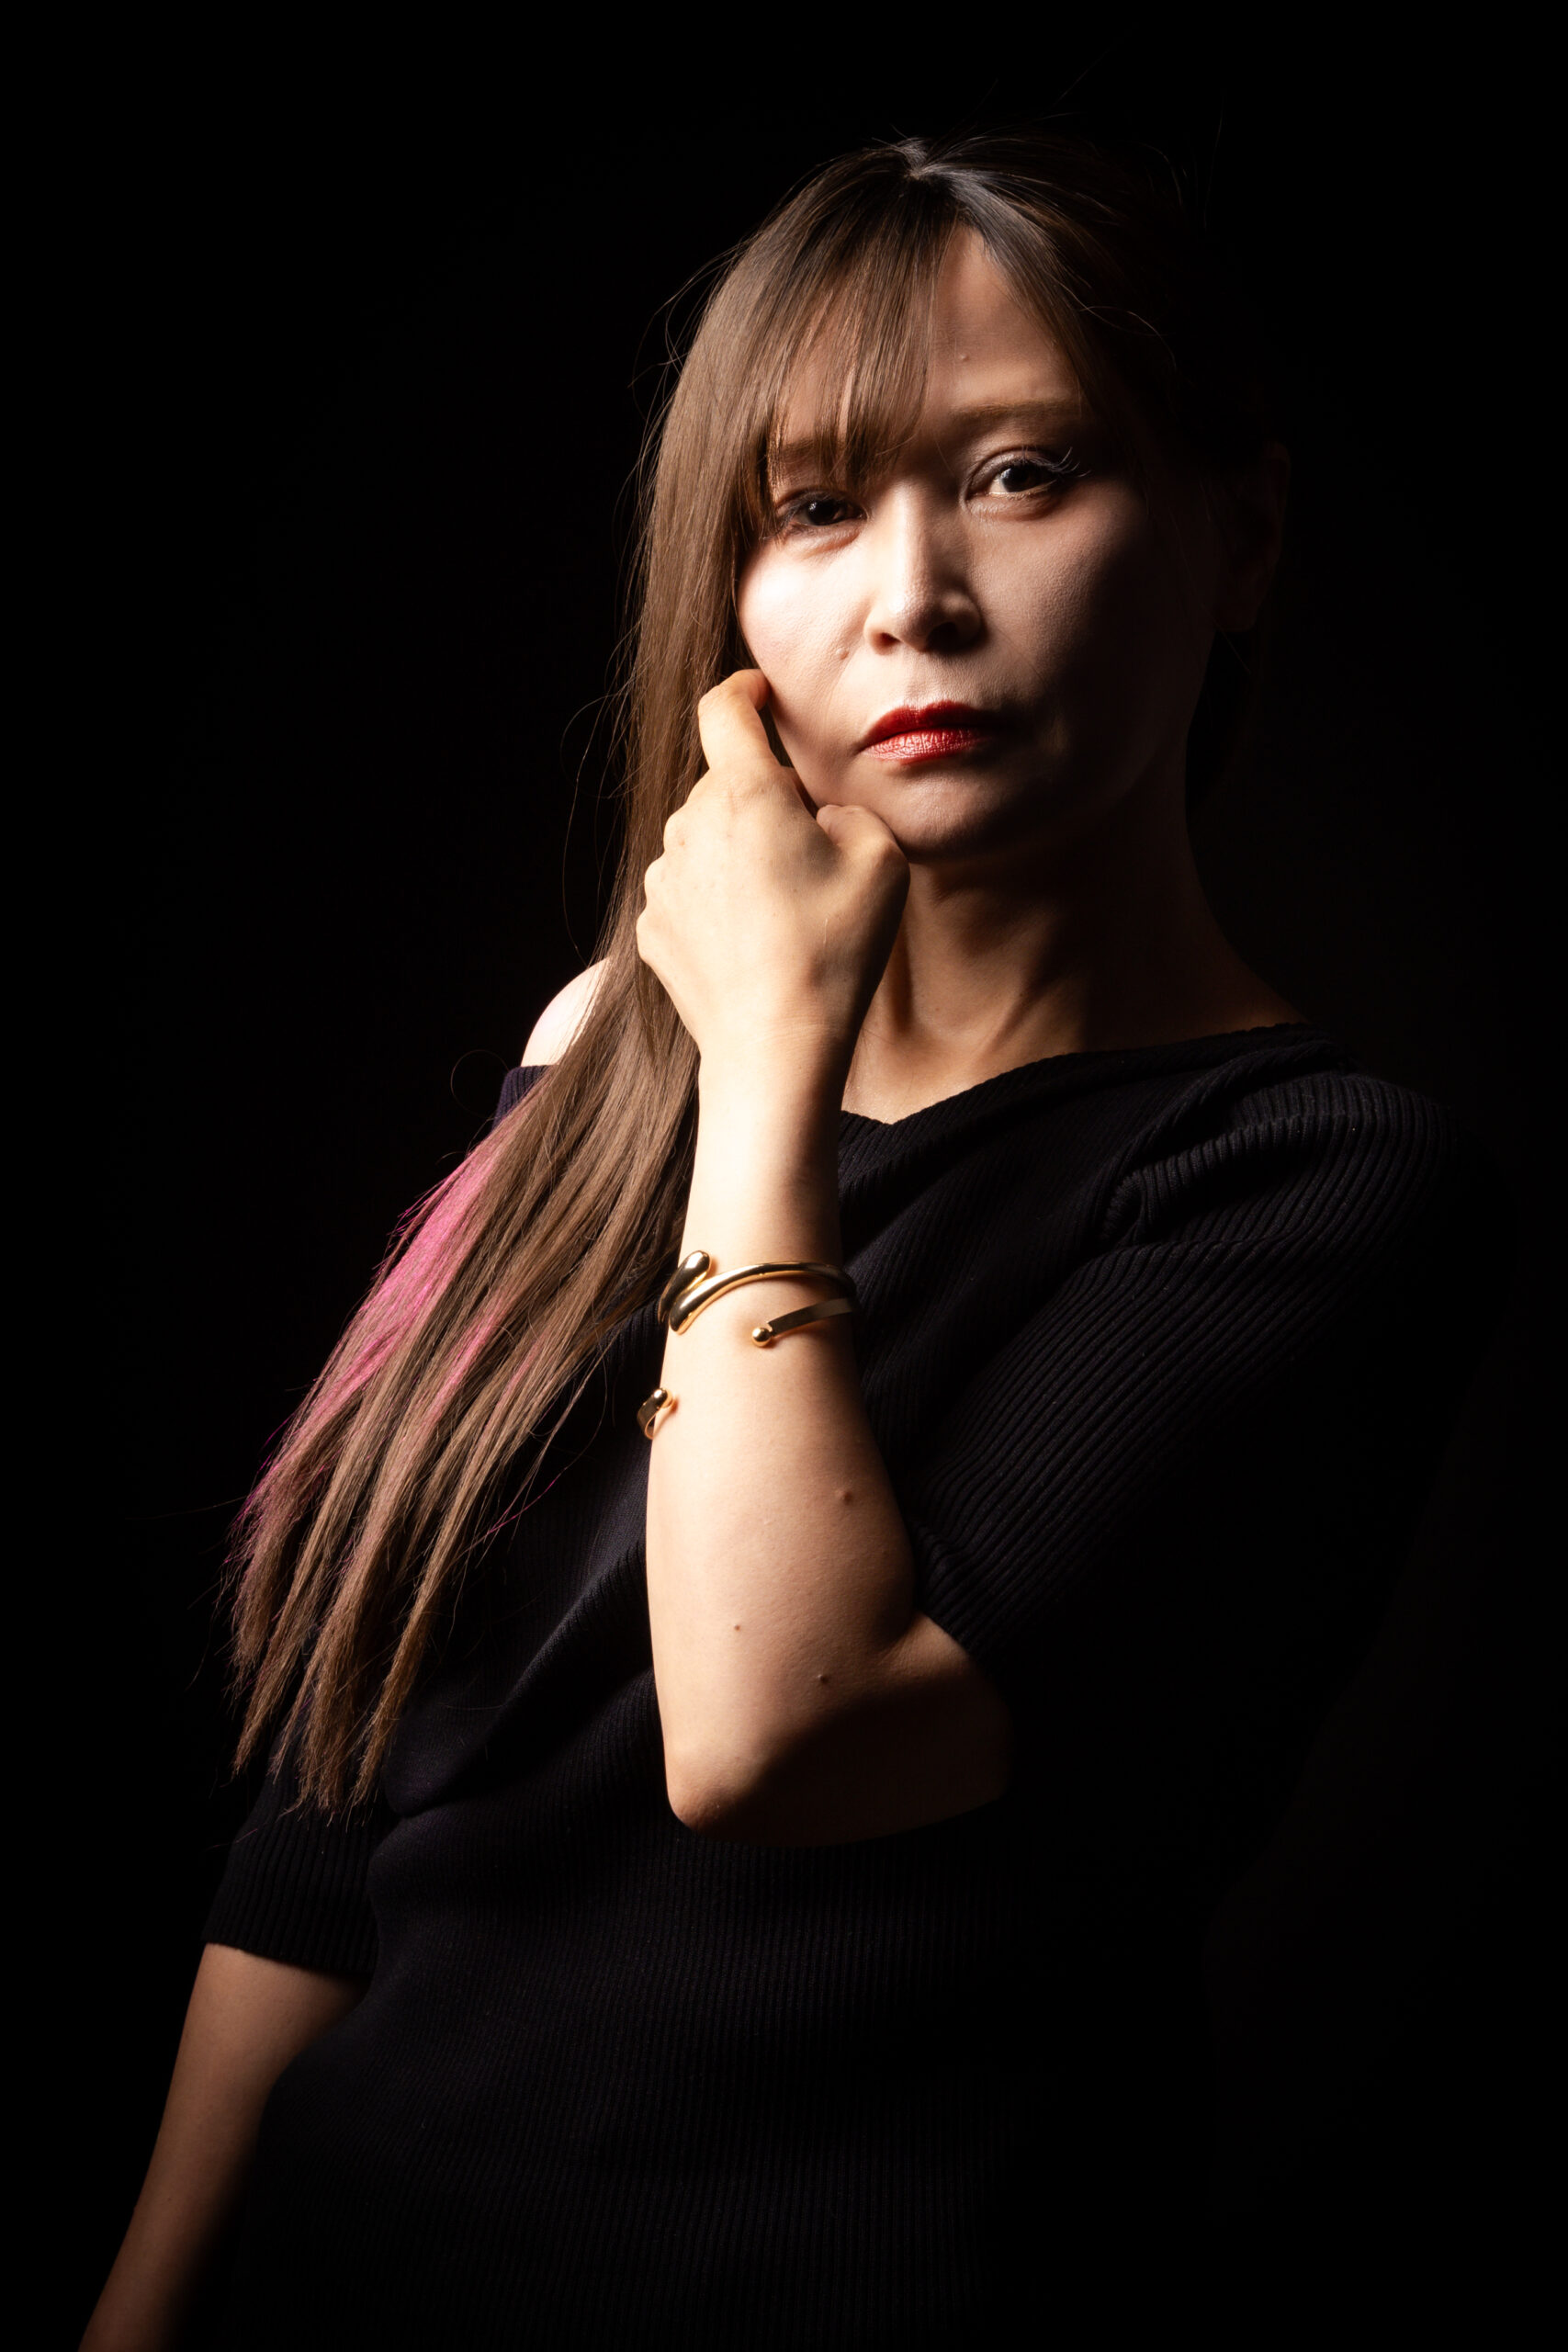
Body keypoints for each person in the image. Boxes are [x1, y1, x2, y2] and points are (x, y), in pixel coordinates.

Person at [85, 131, 1505, 2349]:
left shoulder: (1306, 1179)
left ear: (1237, 532)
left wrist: (762, 1070)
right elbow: (344, 1779)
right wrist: (145, 2304)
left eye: (1020, 475)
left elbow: (776, 1728)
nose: (908, 596)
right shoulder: (604, 1054)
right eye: (812, 506)